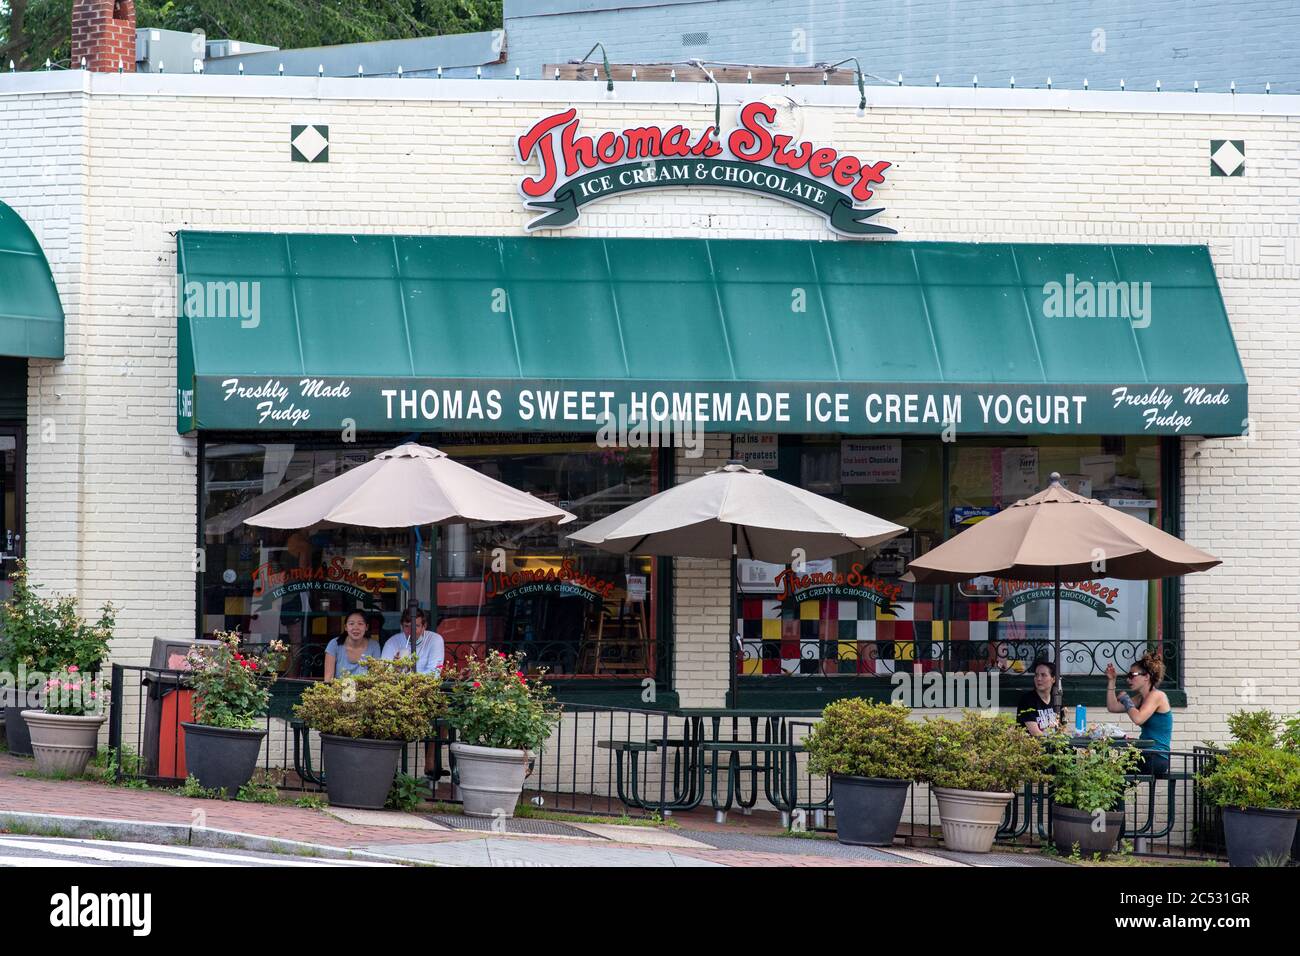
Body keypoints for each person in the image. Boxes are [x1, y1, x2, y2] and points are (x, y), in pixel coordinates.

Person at [1106, 653, 1172, 778]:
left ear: (1146, 676)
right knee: (1110, 769)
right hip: (1145, 753)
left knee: (1113, 773)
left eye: (1132, 675)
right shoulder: (1141, 698)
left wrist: (1126, 699)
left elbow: (1138, 718)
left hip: (1157, 757)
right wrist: (1111, 680)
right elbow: (1112, 707)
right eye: (1128, 676)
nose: (1128, 679)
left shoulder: (1157, 696)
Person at [381, 607, 445, 674]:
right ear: (402, 626)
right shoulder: (392, 642)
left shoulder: (434, 640)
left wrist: (405, 676)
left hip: (426, 684)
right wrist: (395, 668)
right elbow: (385, 672)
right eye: (406, 626)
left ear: (424, 626)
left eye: (416, 626)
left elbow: (435, 673)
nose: (411, 630)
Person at [323, 609, 381, 680]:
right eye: (351, 623)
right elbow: (328, 678)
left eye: (360, 624)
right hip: (338, 690)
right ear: (345, 627)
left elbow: (376, 678)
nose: (356, 628)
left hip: (365, 690)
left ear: (366, 627)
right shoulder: (334, 644)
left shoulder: (374, 646)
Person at [1016, 659, 1063, 736]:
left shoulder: (1057, 699)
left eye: (1043, 675)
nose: (1038, 679)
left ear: (1053, 679)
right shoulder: (1027, 700)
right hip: (1033, 746)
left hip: (1054, 744)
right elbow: (1036, 733)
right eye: (1036, 675)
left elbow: (1062, 728)